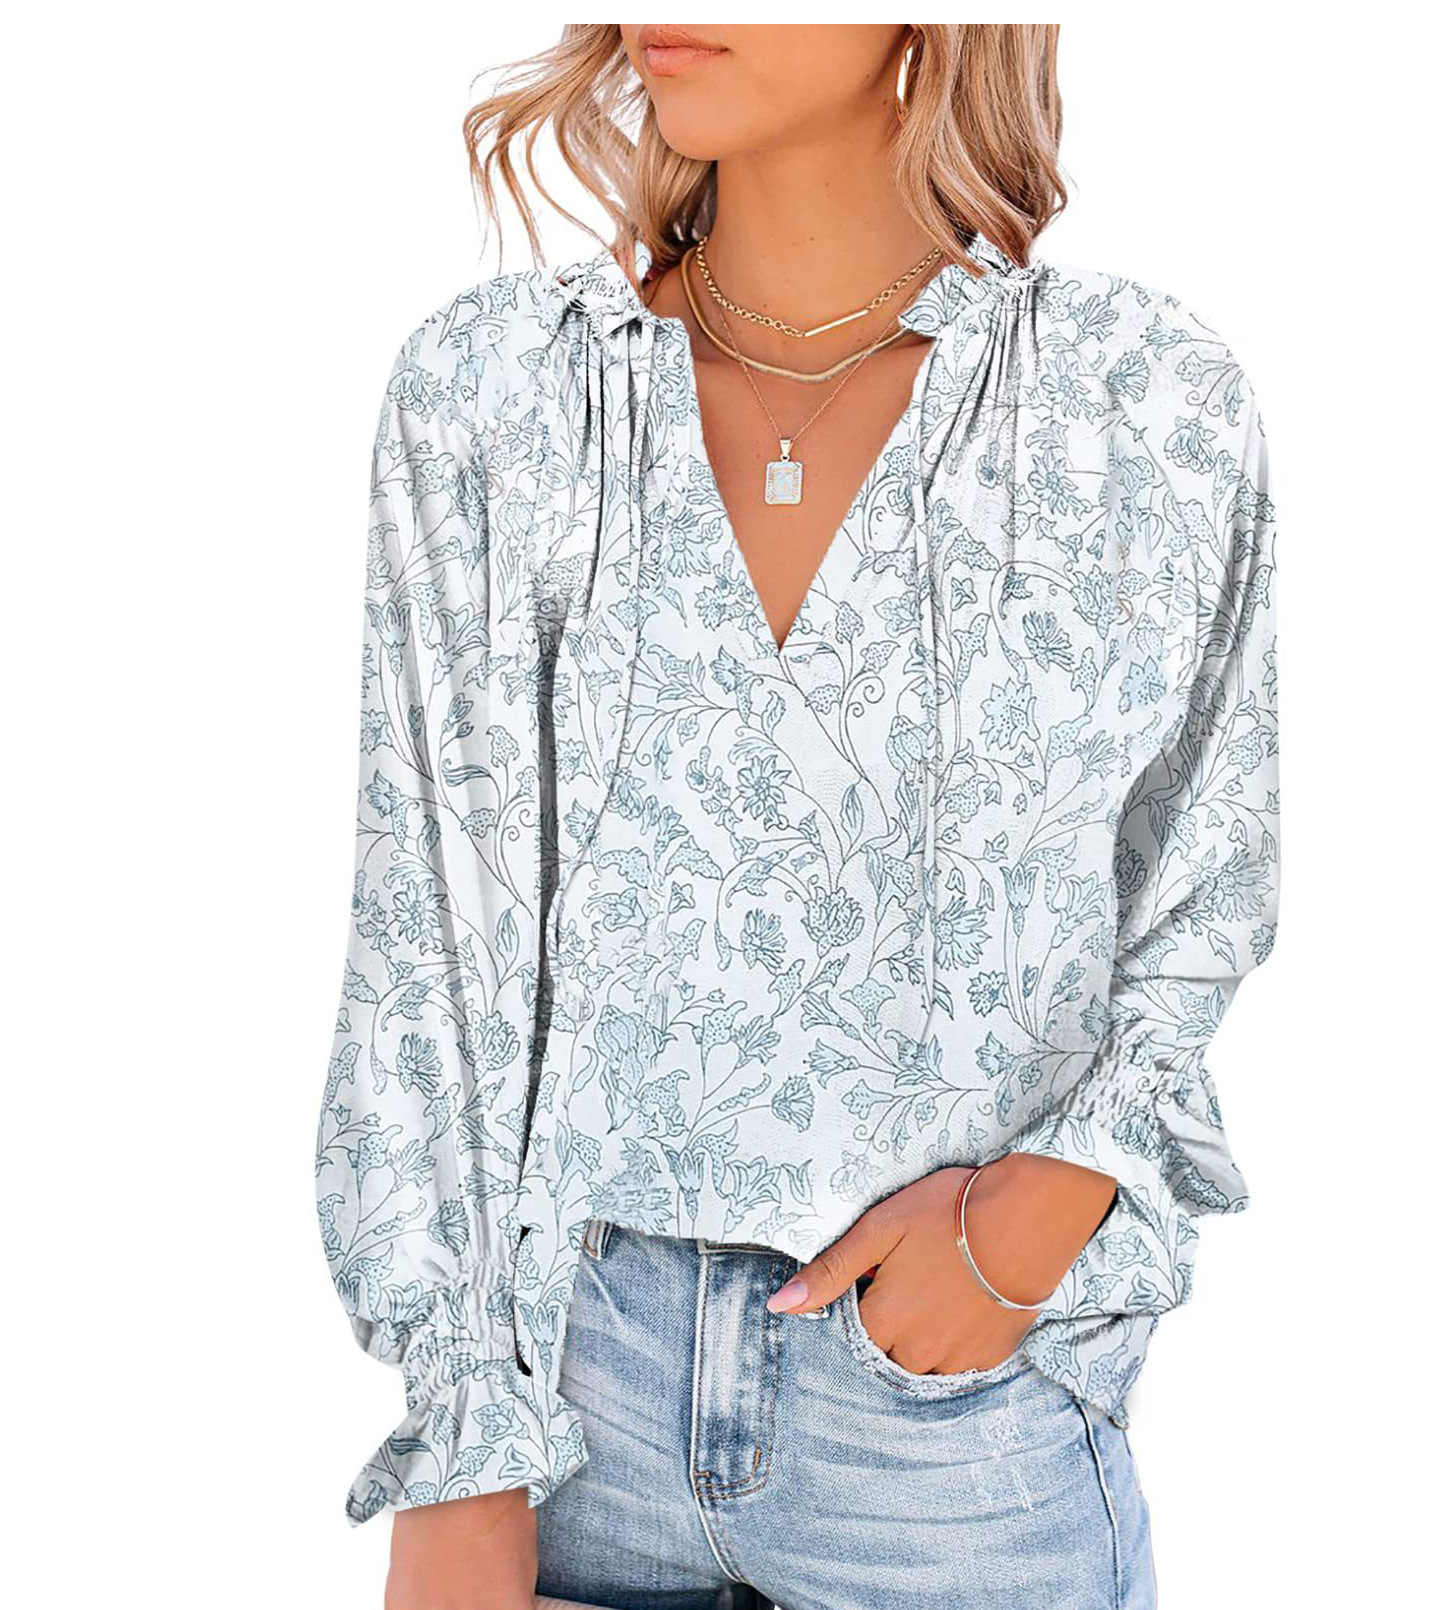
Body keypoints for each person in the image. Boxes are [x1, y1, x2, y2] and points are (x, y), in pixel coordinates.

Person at [314, 23, 1280, 1610]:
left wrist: (1030, 1221)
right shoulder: (502, 391)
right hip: (568, 1402)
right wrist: (461, 1439)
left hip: (951, 1419)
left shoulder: (1133, 398)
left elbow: (1207, 864)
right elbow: (425, 930)